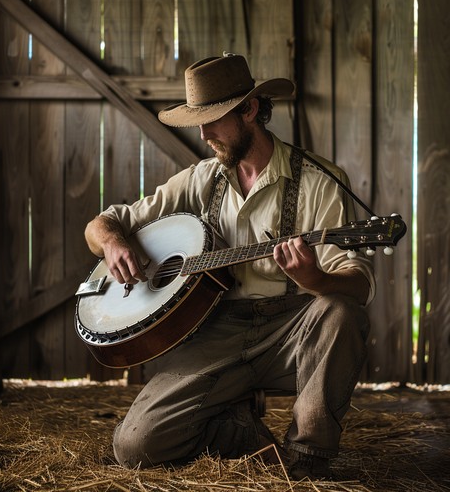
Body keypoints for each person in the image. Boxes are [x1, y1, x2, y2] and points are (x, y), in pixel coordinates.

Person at [84, 54, 375, 480]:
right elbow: (101, 224)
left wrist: (317, 279)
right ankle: (238, 431)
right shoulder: (202, 178)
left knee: (340, 312)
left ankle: (308, 458)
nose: (203, 134)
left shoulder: (320, 181)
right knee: (135, 446)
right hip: (215, 332)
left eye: (214, 119)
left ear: (250, 110)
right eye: (197, 122)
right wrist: (112, 244)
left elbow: (358, 284)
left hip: (291, 332)